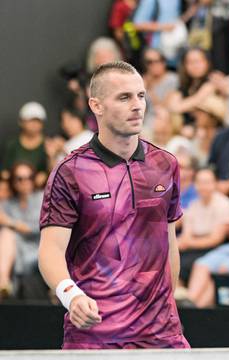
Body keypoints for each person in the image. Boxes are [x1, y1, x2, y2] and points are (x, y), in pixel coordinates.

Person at [38, 61, 189, 349]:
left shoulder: (165, 164)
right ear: (96, 105)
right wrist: (71, 295)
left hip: (161, 334)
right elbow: (50, 249)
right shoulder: (71, 171)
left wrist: (168, 306)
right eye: (124, 97)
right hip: (95, 336)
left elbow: (169, 242)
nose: (137, 106)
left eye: (141, 96)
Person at [0, 162, 45, 301]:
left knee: (8, 233)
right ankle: (4, 283)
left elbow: (37, 228)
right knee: (7, 234)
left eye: (29, 177)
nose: (25, 182)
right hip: (14, 249)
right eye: (19, 179)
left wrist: (10, 222)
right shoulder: (8, 203)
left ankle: (3, 282)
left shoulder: (43, 197)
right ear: (13, 181)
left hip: (38, 246)